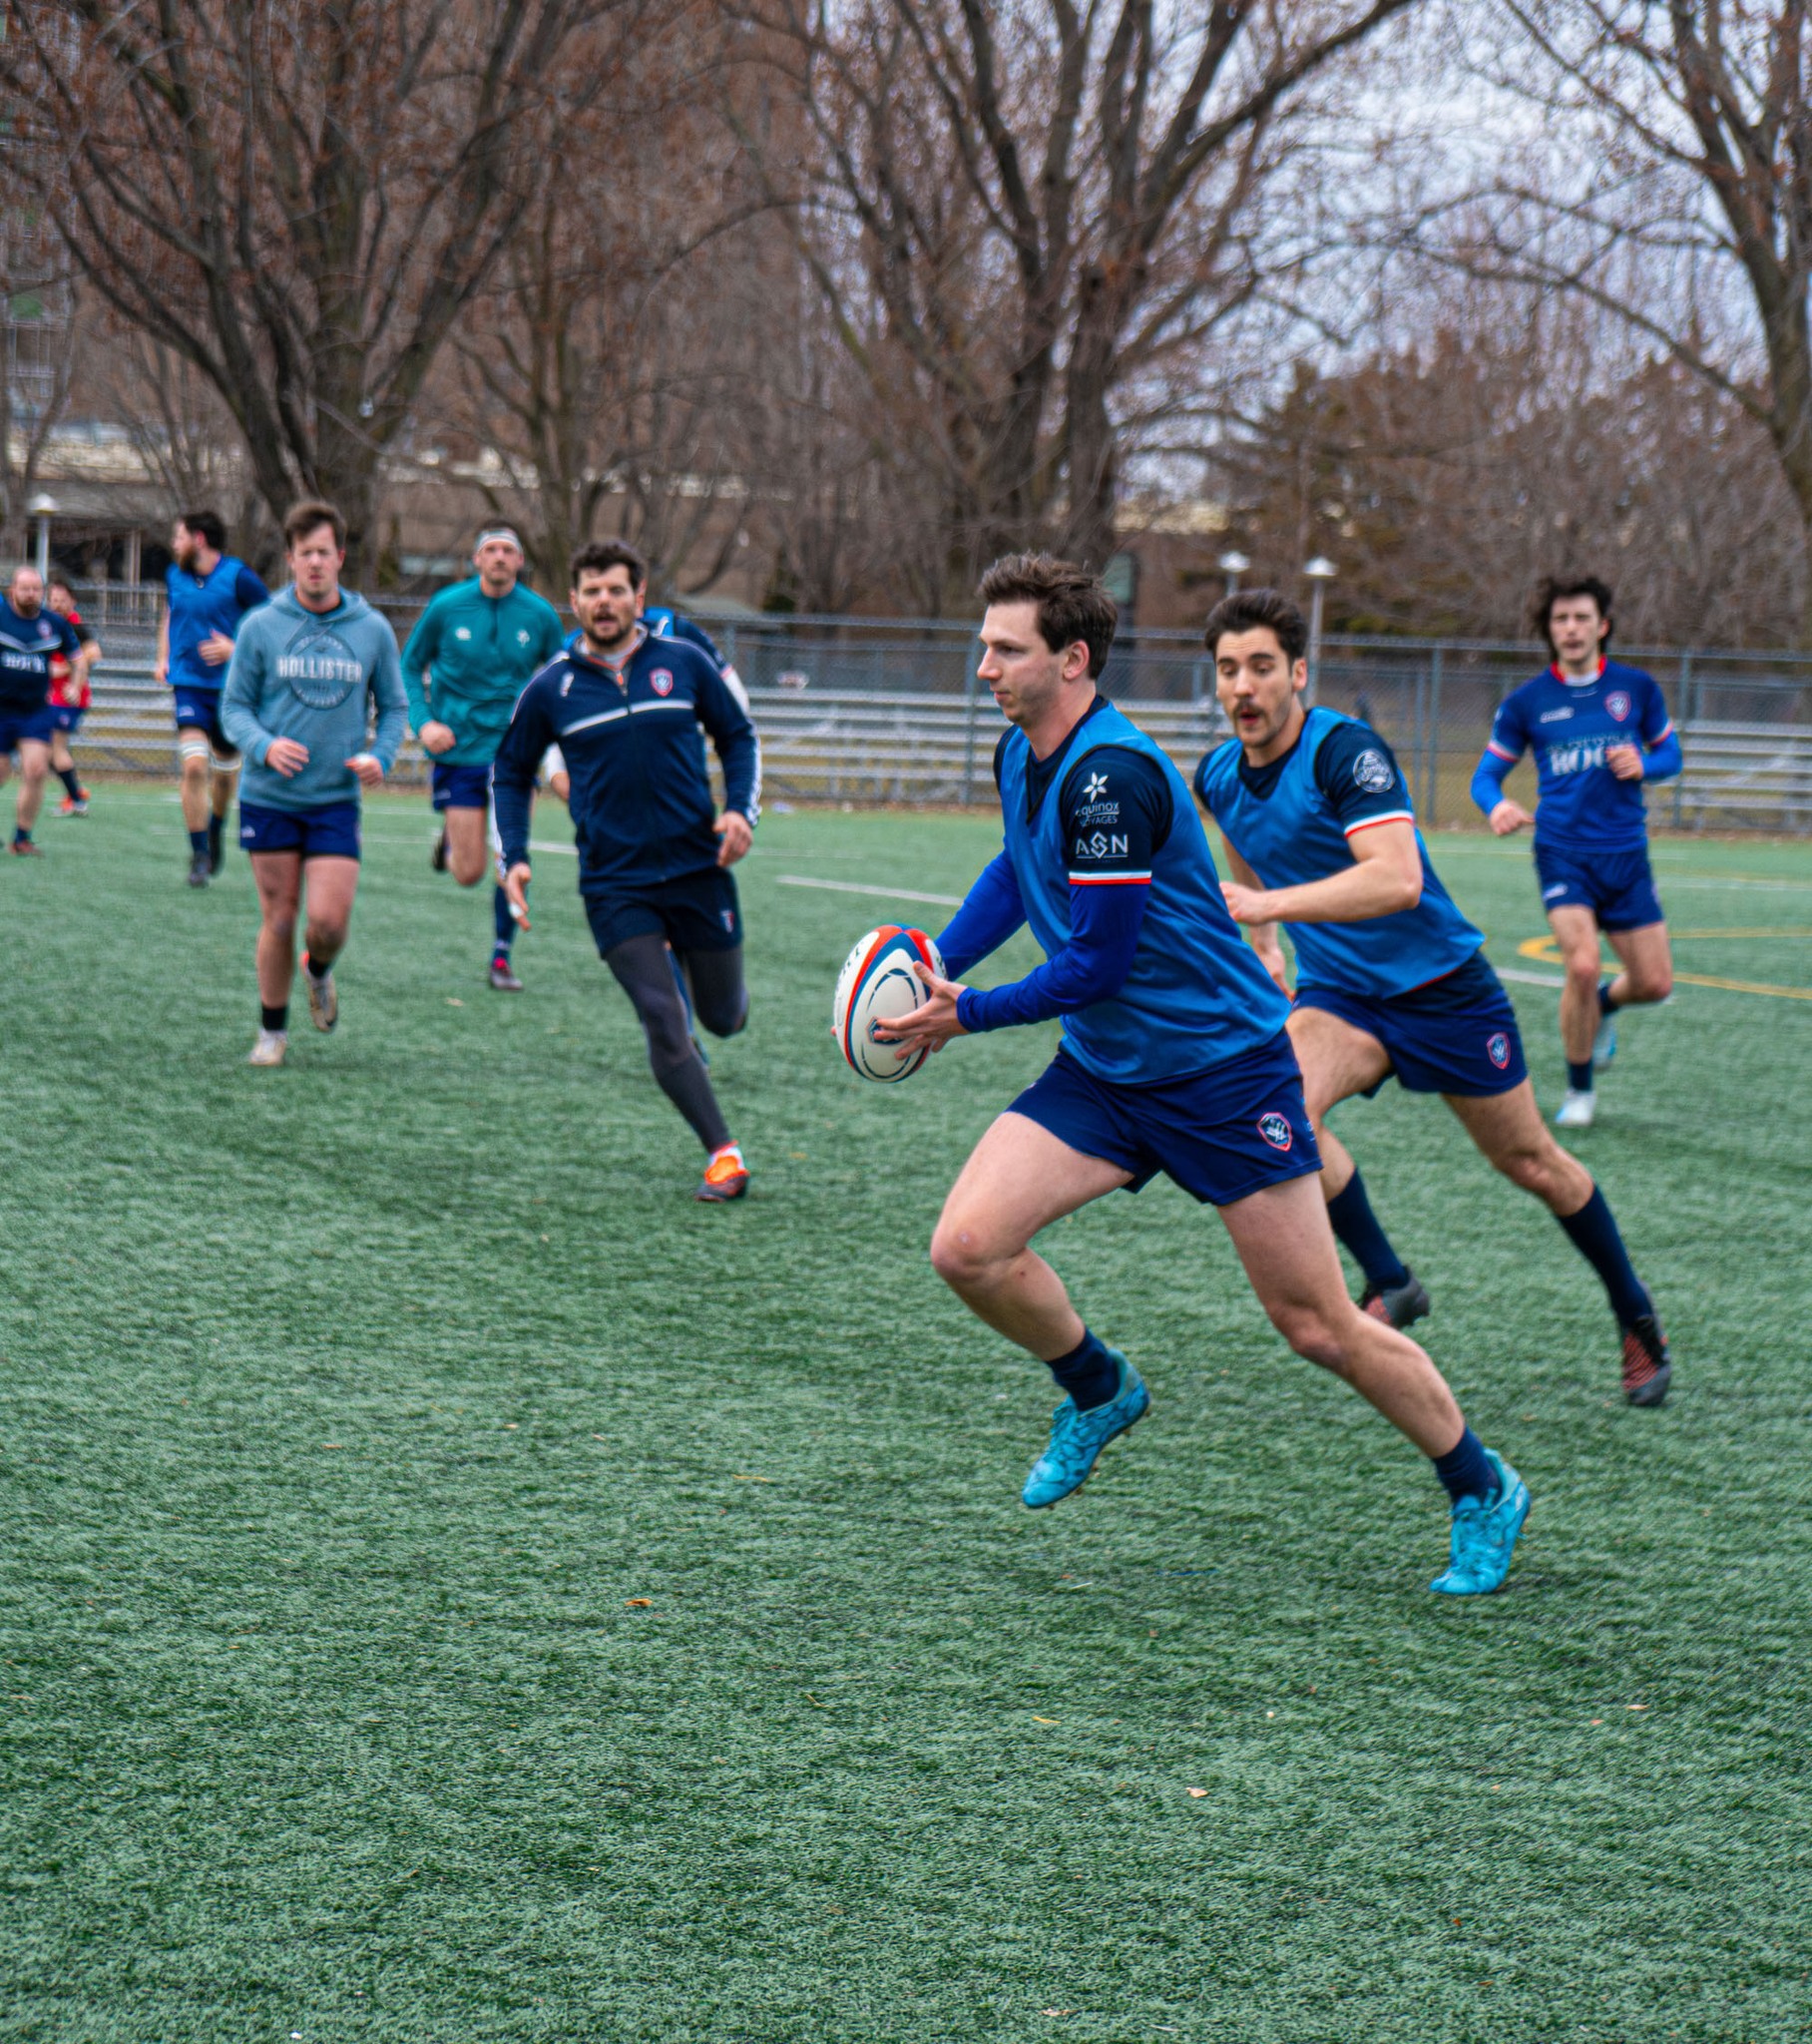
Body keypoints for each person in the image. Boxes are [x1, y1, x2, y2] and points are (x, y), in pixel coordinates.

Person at [879, 554, 1530, 1596]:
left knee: (1316, 1323)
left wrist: (971, 1012)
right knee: (967, 1246)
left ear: (1074, 659)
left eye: (1005, 648)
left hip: (1223, 1074)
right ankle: (1097, 1387)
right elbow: (1014, 865)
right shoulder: (1023, 752)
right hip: (1106, 1068)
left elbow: (1094, 958)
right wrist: (941, 959)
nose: (982, 666)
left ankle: (1479, 1481)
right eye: (985, 644)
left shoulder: (1113, 775)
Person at [1195, 589, 1671, 1407]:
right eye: (1229, 670)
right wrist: (1266, 942)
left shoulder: (1347, 753)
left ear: (1298, 673)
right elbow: (1245, 845)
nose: (1244, 686)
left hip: (1446, 993)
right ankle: (1390, 1278)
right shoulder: (1215, 773)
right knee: (1274, 1118)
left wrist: (1269, 909)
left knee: (1532, 1164)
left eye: (1263, 668)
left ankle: (1637, 1316)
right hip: (1343, 996)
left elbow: (1397, 878)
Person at [492, 538, 760, 1202]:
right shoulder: (552, 686)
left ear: (638, 597)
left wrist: (741, 814)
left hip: (700, 872)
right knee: (664, 1020)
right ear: (574, 601)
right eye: (590, 591)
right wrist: (515, 858)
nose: (603, 602)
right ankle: (722, 1153)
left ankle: (720, 1005)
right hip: (616, 886)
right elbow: (509, 770)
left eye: (616, 590)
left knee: (721, 1018)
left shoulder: (684, 662)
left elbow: (738, 736)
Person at [1471, 575, 1680, 1128]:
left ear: (1602, 626)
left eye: (1582, 617)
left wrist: (1646, 766)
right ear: (1549, 631)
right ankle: (1579, 1091)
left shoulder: (1636, 689)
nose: (1571, 628)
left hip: (1627, 856)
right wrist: (1496, 807)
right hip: (1563, 853)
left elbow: (1671, 755)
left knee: (1656, 984)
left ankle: (1606, 1008)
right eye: (1560, 619)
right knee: (1582, 966)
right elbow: (1486, 777)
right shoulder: (1527, 702)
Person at [220, 501, 406, 1068]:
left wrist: (382, 755)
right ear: (291, 560)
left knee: (327, 923)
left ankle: (318, 970)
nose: (316, 563)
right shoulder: (261, 626)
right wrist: (265, 745)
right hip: (270, 797)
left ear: (341, 558)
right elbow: (234, 708)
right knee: (279, 916)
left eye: (325, 552)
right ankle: (272, 1031)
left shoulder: (371, 629)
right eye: (306, 554)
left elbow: (394, 707)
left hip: (333, 800)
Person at [399, 527, 566, 990]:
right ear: (476, 559)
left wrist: (557, 747)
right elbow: (409, 666)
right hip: (459, 752)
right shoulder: (447, 606)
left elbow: (563, 679)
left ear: (519, 561)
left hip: (516, 756)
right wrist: (424, 722)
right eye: (491, 549)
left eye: (508, 550)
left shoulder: (540, 615)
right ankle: (450, 844)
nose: (499, 557)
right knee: (469, 873)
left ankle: (501, 957)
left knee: (512, 857)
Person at [157, 510, 271, 886]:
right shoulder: (175, 575)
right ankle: (199, 853)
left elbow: (272, 627)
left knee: (224, 776)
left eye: (179, 537)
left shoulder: (239, 577)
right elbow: (169, 613)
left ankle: (216, 828)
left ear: (199, 539)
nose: (175, 545)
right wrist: (162, 657)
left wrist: (234, 648)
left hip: (232, 691)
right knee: (193, 766)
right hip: (188, 684)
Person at [0, 563, 88, 856]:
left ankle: (21, 838)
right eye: (25, 588)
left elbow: (79, 659)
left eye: (36, 589)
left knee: (36, 770)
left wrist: (75, 685)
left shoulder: (55, 624)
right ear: (13, 590)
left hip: (35, 711)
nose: (30, 594)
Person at [45, 577, 99, 814]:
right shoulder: (49, 625)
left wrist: (65, 671)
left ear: (72, 602)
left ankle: (76, 799)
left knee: (55, 750)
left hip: (68, 698)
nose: (56, 604)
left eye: (61, 600)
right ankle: (75, 792)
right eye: (53, 600)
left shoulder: (74, 626)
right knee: (45, 753)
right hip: (51, 697)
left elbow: (93, 654)